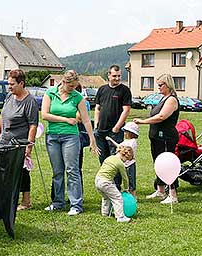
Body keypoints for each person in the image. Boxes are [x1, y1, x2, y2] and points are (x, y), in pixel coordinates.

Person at [42, 70, 99, 216]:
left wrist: (92, 140)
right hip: (52, 136)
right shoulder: (50, 93)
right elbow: (45, 115)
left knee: (72, 170)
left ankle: (76, 205)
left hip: (71, 138)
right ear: (63, 81)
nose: (72, 89)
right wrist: (66, 120)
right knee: (57, 171)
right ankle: (58, 202)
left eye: (75, 86)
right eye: (70, 86)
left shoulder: (77, 97)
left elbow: (86, 120)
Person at [0, 69, 39, 211]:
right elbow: (2, 115)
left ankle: (26, 201)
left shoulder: (29, 101)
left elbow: (33, 125)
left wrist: (29, 146)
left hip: (20, 142)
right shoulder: (9, 96)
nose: (10, 87)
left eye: (12, 84)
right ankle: (8, 197)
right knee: (5, 171)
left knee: (22, 172)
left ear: (21, 83)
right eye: (9, 84)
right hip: (5, 141)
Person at [134, 74, 179, 204]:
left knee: (168, 165)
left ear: (168, 85)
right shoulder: (163, 98)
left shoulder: (171, 100)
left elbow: (161, 117)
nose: (158, 88)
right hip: (156, 137)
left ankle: (173, 194)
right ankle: (160, 190)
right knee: (158, 164)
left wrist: (143, 121)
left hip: (166, 137)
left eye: (160, 85)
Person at [94, 65, 132, 167]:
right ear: (109, 75)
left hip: (115, 132)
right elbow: (97, 108)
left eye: (119, 76)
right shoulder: (102, 89)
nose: (117, 78)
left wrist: (116, 127)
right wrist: (96, 126)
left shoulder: (124, 90)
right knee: (103, 160)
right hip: (100, 131)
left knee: (116, 160)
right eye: (114, 76)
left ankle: (116, 183)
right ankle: (106, 181)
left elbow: (126, 110)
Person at [95, 145, 133, 223]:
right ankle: (120, 217)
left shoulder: (109, 158)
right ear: (124, 155)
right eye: (126, 160)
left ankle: (105, 213)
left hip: (98, 180)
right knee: (118, 198)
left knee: (106, 197)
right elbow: (125, 178)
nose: (125, 162)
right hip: (106, 182)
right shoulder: (120, 163)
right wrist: (126, 189)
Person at [105, 121, 139, 197]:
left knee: (131, 181)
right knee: (125, 178)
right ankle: (127, 193)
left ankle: (133, 196)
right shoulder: (126, 141)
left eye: (126, 132)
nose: (124, 133)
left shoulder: (133, 142)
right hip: (123, 164)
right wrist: (110, 140)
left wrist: (121, 150)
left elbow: (127, 149)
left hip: (130, 165)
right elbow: (119, 146)